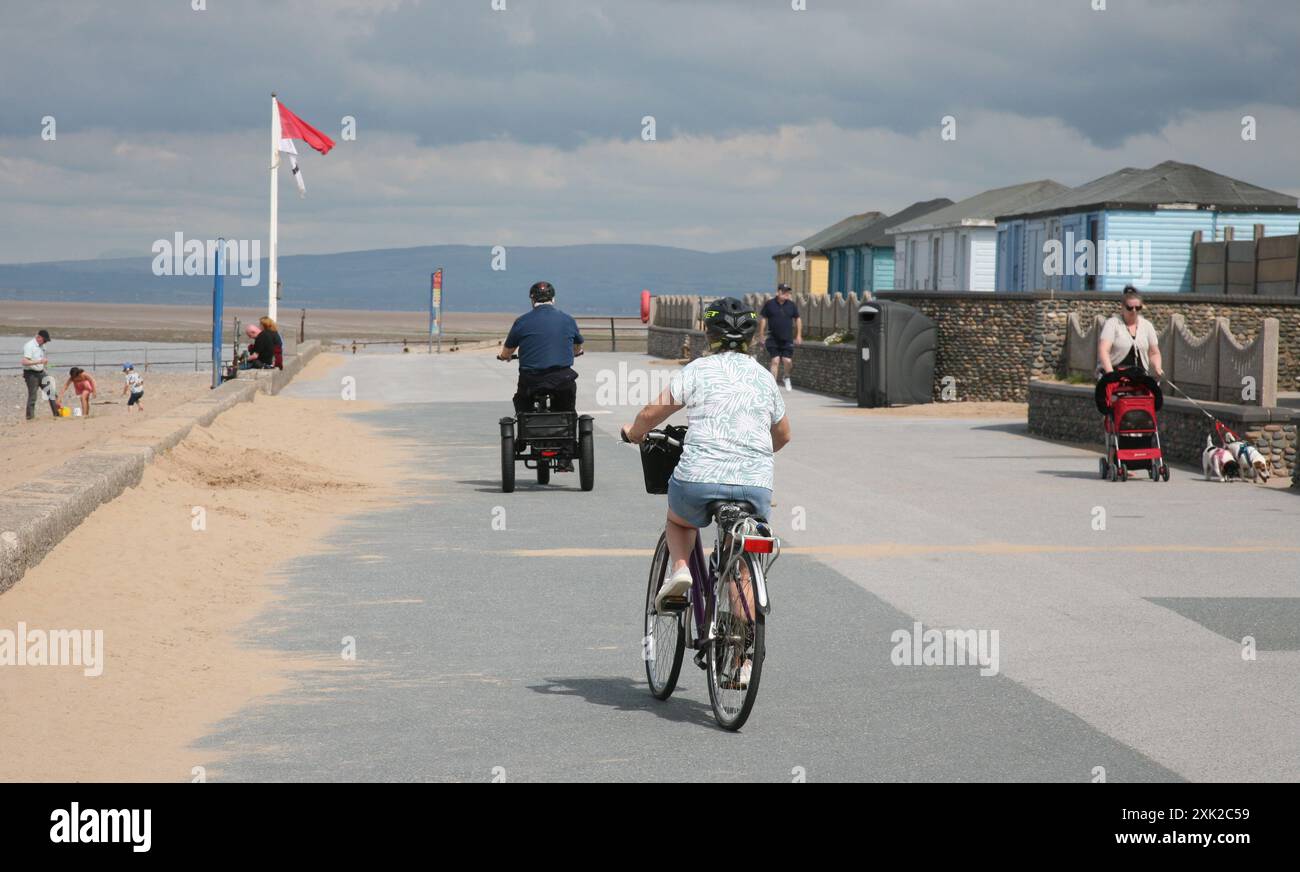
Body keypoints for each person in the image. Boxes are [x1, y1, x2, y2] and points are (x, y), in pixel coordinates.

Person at [621, 297, 791, 641]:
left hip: (699, 478)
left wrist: (634, 433)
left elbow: (653, 413)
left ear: (708, 334)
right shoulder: (763, 377)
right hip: (755, 485)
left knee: (678, 519)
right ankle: (741, 659)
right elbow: (784, 435)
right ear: (753, 337)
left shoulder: (698, 370)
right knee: (742, 563)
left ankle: (680, 570)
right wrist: (753, 452)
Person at [498, 281, 585, 415]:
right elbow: (578, 347)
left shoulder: (522, 321)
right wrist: (576, 352)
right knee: (566, 405)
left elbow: (507, 351)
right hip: (562, 378)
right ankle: (566, 425)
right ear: (553, 299)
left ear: (532, 300)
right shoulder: (567, 320)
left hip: (531, 379)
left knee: (522, 401)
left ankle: (525, 421)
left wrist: (504, 357)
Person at [1098, 285, 1163, 378]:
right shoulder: (1112, 323)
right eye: (1130, 308)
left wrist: (1157, 367)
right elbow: (1104, 350)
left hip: (1139, 376)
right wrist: (1110, 374)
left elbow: (1154, 353)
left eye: (1138, 308)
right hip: (1115, 373)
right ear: (1122, 307)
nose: (1134, 311)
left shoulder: (1147, 325)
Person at [756, 283, 802, 391]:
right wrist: (761, 334)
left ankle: (786, 376)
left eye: (788, 292)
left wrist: (799, 335)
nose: (787, 294)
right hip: (773, 338)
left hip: (787, 338)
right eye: (784, 292)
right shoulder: (770, 304)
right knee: (775, 361)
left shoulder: (791, 305)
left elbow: (798, 319)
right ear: (778, 292)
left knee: (787, 361)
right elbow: (763, 319)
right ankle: (773, 386)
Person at [21, 329, 60, 420]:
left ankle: (57, 414)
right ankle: (30, 417)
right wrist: (39, 362)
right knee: (33, 396)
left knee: (51, 392)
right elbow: (24, 361)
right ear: (39, 337)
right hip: (31, 374)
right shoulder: (29, 346)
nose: (45, 342)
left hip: (41, 372)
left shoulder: (43, 346)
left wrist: (44, 364)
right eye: (44, 340)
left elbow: (42, 357)